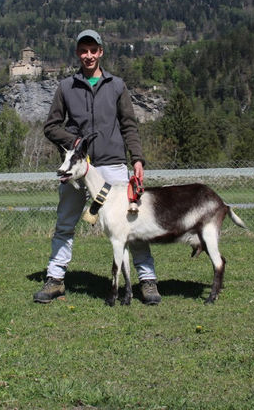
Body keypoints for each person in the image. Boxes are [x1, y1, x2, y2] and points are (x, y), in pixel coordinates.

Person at [33, 29, 161, 305]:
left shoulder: (117, 85)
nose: (88, 55)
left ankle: (147, 280)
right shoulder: (66, 87)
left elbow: (129, 125)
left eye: (93, 50)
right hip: (78, 170)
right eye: (83, 50)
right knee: (65, 223)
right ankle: (55, 280)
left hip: (113, 166)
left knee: (132, 223)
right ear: (77, 53)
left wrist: (137, 159)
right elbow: (51, 127)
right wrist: (75, 141)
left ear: (101, 52)